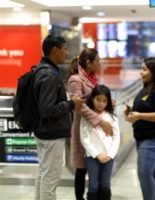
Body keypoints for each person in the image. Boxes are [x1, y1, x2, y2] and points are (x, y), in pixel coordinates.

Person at [33, 35, 86, 200]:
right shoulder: (49, 75)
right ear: (55, 50)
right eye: (64, 49)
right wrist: (71, 104)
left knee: (43, 174)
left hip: (44, 131)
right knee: (50, 179)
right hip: (52, 133)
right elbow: (47, 109)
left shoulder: (42, 69)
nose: (66, 53)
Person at [66, 48, 113, 200]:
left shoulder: (93, 79)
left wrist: (106, 103)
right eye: (97, 61)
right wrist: (99, 121)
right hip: (83, 130)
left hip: (95, 132)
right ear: (88, 63)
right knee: (81, 169)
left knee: (96, 168)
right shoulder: (75, 80)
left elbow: (95, 100)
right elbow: (79, 106)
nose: (100, 64)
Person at [123, 57, 155, 200]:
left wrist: (139, 116)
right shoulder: (147, 87)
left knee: (144, 172)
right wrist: (132, 111)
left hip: (154, 137)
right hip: (143, 137)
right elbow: (147, 107)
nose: (140, 73)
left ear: (154, 72)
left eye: (144, 69)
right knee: (153, 170)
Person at [80, 85, 120, 200]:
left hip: (108, 157)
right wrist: (97, 154)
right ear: (92, 99)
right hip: (91, 157)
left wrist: (110, 155)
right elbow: (84, 138)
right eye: (98, 99)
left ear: (108, 102)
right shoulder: (87, 117)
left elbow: (116, 138)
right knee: (93, 185)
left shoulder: (112, 117)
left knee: (106, 184)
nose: (101, 103)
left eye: (104, 101)